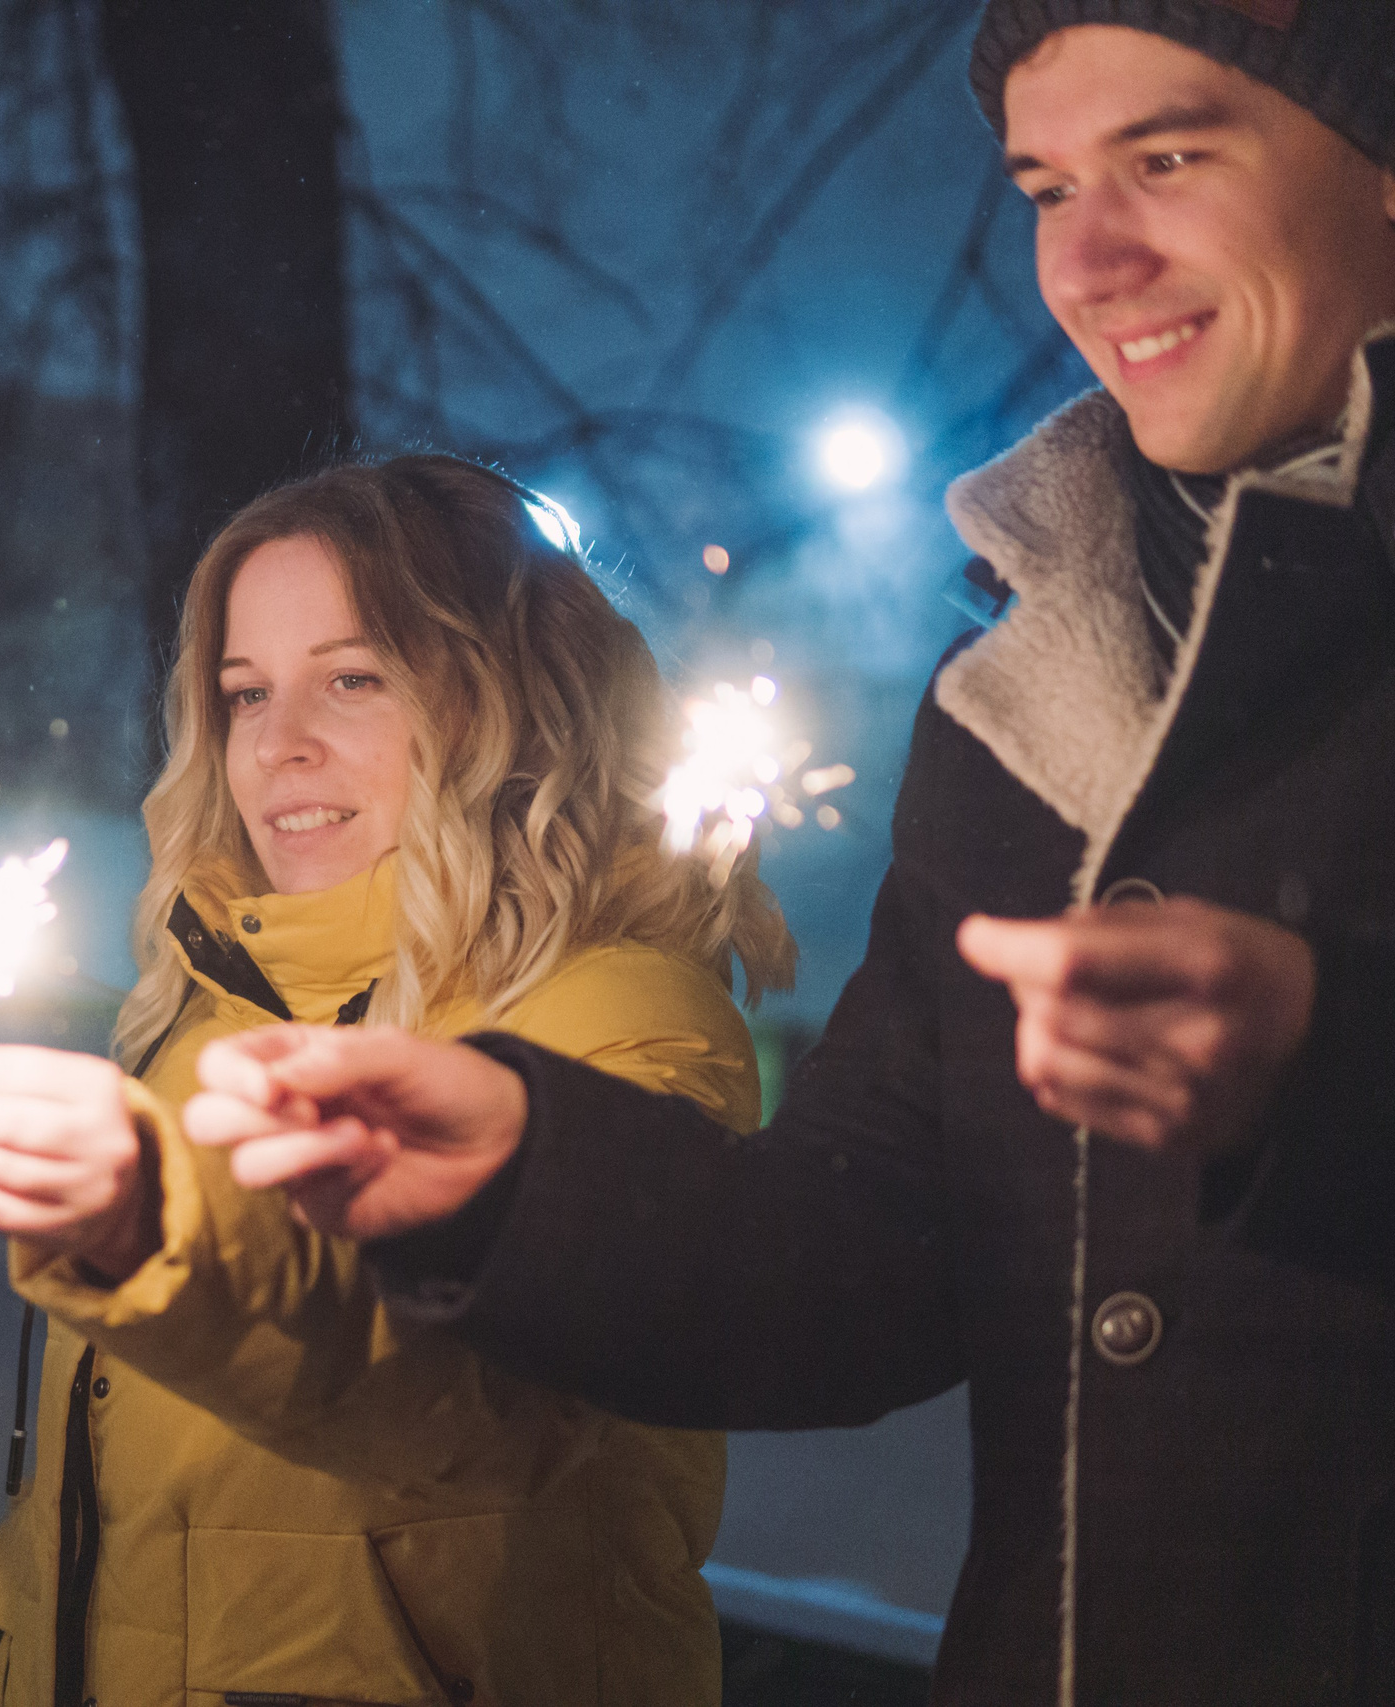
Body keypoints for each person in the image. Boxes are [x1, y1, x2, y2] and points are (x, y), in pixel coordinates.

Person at [187, 7, 1395, 1701]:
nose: (1092, 258)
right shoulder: (1032, 698)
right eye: (1045, 185)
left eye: (1171, 157)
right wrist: (520, 1173)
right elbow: (872, 1248)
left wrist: (1324, 1078)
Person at [0, 456, 798, 1707]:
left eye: (352, 681)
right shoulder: (201, 1016)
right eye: (245, 695)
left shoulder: (622, 1024)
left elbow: (487, 1402)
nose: (279, 747)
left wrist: (167, 1225)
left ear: (516, 698)